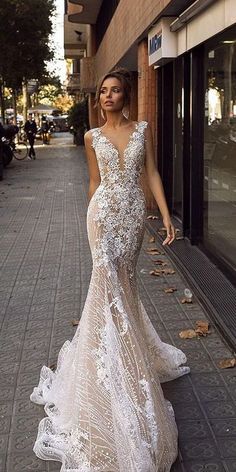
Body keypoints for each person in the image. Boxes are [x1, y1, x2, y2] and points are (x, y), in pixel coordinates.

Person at [30, 68, 190, 471]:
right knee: (107, 287)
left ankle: (129, 353)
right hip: (102, 218)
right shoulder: (91, 137)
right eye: (103, 91)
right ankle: (112, 367)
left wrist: (166, 216)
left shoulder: (142, 130)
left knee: (126, 287)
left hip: (133, 217)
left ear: (126, 96)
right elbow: (94, 183)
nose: (108, 96)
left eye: (115, 90)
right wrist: (90, 217)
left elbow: (151, 172)